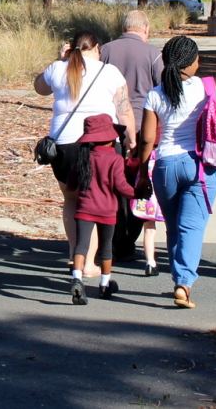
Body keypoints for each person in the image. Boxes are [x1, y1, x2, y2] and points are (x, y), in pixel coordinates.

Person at [35, 31, 136, 277]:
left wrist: (60, 59)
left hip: (62, 144)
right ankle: (89, 262)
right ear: (97, 48)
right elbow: (124, 111)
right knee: (93, 202)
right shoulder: (109, 72)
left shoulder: (59, 69)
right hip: (99, 144)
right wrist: (132, 140)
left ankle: (74, 255)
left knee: (71, 199)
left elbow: (39, 87)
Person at [138, 35, 216, 309]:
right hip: (200, 165)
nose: (199, 63)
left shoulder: (156, 93)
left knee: (173, 226)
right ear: (191, 63)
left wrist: (140, 167)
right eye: (197, 59)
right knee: (192, 227)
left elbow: (148, 139)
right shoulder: (205, 88)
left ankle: (179, 278)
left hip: (166, 165)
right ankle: (184, 283)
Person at [100, 10, 164, 272]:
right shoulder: (153, 54)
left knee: (112, 183)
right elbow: (164, 87)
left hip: (110, 125)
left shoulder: (104, 50)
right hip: (144, 126)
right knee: (138, 184)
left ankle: (113, 239)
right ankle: (128, 240)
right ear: (145, 28)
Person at [68, 114, 137, 305]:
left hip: (84, 207)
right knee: (106, 247)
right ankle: (105, 284)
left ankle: (77, 278)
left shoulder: (83, 157)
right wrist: (137, 193)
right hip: (107, 210)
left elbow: (71, 185)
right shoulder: (114, 159)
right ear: (109, 138)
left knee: (81, 245)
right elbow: (121, 187)